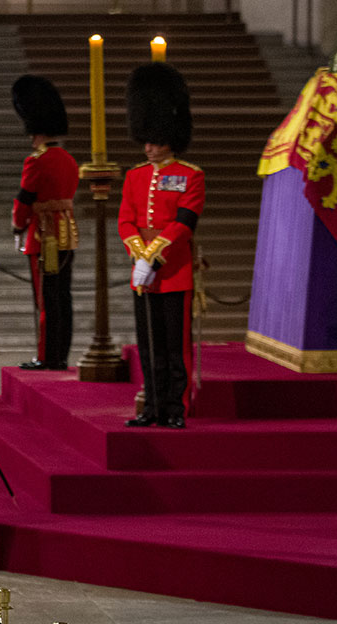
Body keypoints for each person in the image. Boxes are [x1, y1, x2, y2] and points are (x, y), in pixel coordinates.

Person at [119, 62, 204, 429]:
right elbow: (126, 220)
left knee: (175, 348)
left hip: (175, 272)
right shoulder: (135, 176)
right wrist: (139, 255)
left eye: (155, 141)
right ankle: (152, 405)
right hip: (143, 273)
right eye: (147, 141)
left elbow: (184, 222)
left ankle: (175, 407)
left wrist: (153, 257)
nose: (149, 148)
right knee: (149, 346)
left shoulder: (191, 175)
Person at [11, 75, 79, 371]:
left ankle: (46, 355)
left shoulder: (36, 161)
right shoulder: (68, 159)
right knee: (62, 296)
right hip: (67, 232)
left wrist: (17, 225)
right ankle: (60, 353)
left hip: (43, 236)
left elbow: (24, 200)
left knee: (45, 300)